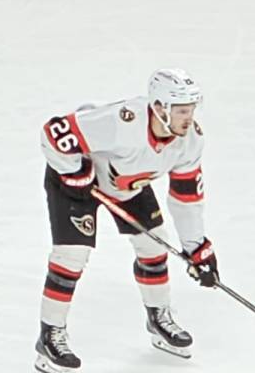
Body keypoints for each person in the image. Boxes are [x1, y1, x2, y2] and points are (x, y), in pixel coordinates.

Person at [35, 70, 217, 372]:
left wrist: (197, 248)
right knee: (72, 256)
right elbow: (54, 133)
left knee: (154, 246)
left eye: (192, 109)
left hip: (126, 185)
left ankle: (158, 317)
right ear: (160, 108)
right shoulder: (122, 122)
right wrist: (71, 171)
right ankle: (50, 336)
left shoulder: (190, 141)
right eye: (182, 111)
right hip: (79, 184)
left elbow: (187, 199)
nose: (189, 117)